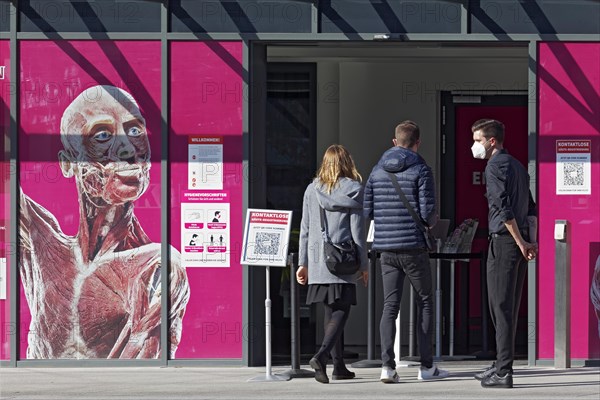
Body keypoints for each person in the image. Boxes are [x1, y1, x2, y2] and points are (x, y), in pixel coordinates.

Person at [19, 85, 190, 359]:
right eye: (102, 135)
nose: (126, 148)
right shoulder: (41, 243)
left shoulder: (156, 268)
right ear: (67, 164)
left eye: (135, 131)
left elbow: (138, 373)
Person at [364, 120, 449, 383]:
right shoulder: (421, 169)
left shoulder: (376, 172)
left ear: (394, 142)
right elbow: (427, 214)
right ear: (417, 143)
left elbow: (367, 212)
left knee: (390, 305)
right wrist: (433, 221)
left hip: (385, 248)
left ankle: (387, 368)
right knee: (425, 302)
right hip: (413, 246)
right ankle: (426, 367)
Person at [470, 119, 537, 388]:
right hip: (517, 242)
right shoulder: (518, 166)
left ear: (492, 141)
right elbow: (531, 207)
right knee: (503, 305)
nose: (475, 146)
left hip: (506, 242)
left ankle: (504, 371)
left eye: (478, 140)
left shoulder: (495, 166)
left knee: (501, 307)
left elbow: (502, 208)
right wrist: (531, 241)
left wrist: (522, 242)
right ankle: (500, 364)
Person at [296, 144, 368, 384]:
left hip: (318, 262)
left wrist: (302, 263)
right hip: (342, 261)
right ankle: (322, 356)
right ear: (347, 162)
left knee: (331, 313)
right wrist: (364, 264)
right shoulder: (354, 190)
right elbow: (358, 233)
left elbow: (305, 229)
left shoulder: (311, 190)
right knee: (341, 311)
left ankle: (338, 367)